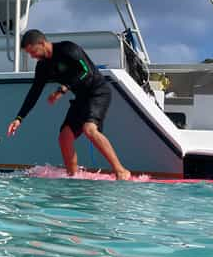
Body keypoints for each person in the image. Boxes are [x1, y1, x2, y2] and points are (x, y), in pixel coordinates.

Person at [7, 29, 131, 180]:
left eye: (33, 51)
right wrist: (19, 118)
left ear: (41, 43)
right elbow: (34, 93)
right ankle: (73, 176)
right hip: (81, 98)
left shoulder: (67, 49)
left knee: (89, 129)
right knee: (64, 137)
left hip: (98, 92)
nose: (32, 56)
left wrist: (63, 89)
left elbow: (87, 71)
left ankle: (121, 170)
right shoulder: (43, 67)